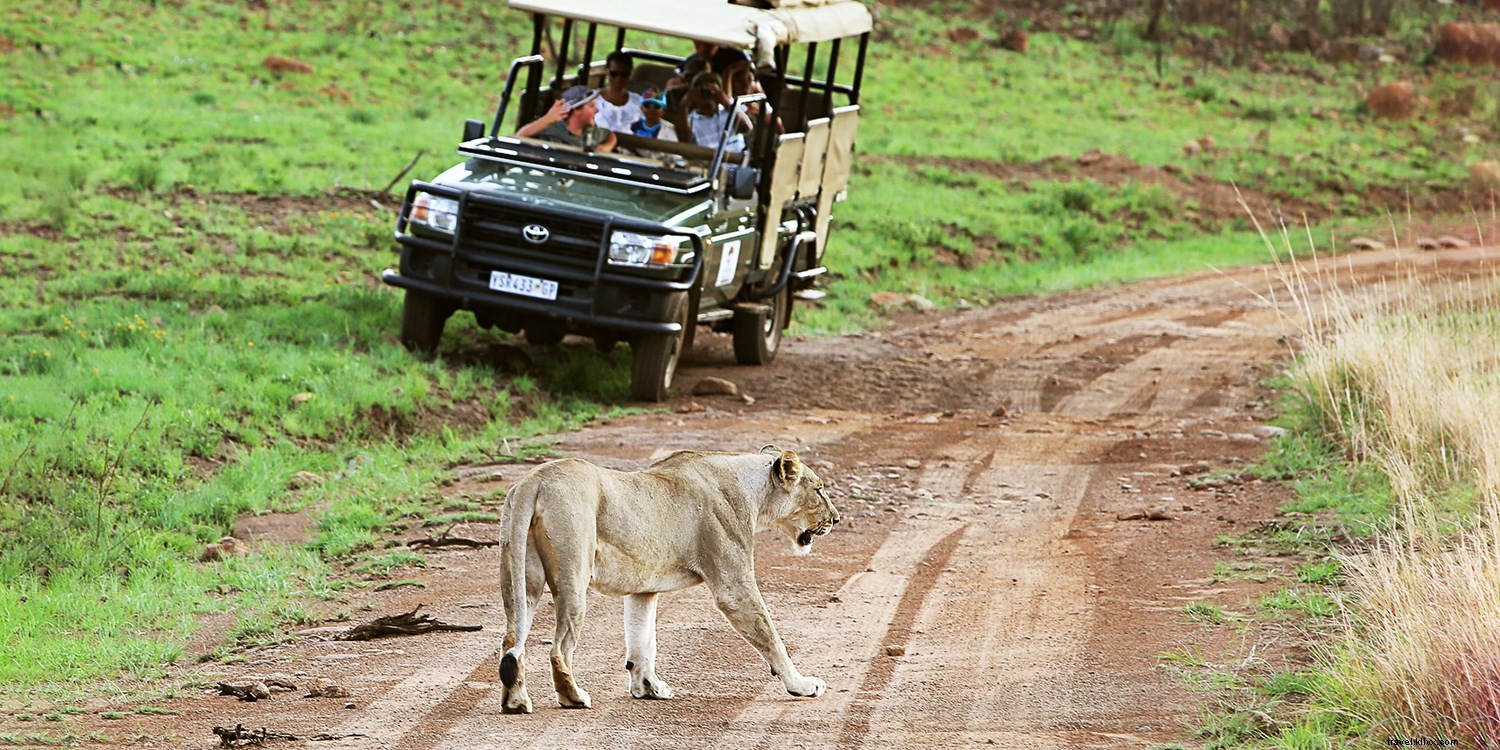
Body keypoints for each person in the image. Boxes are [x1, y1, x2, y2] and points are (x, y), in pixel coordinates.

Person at [516, 85, 617, 153]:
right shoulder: (552, 130)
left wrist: (606, 147)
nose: (596, 111)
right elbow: (519, 137)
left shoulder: (590, 130)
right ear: (577, 110)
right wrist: (547, 119)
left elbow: (610, 135)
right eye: (591, 106)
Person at [678, 72, 750, 153]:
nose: (707, 94)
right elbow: (684, 140)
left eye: (711, 90)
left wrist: (726, 103)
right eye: (703, 90)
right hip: (709, 163)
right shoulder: (690, 120)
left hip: (737, 160)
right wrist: (684, 105)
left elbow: (746, 128)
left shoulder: (730, 110)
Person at [593, 51, 642, 134]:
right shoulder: (591, 99)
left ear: (630, 73)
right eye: (614, 73)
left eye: (624, 74)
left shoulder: (639, 102)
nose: (618, 79)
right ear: (606, 71)